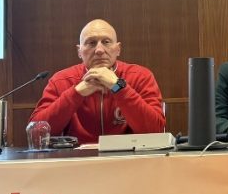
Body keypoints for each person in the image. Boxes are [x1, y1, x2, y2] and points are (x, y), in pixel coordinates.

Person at [29, 19, 164, 143]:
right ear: (79, 51)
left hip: (129, 157)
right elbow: (36, 133)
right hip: (78, 158)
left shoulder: (140, 76)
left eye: (106, 42)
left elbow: (155, 131)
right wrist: (76, 93)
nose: (99, 50)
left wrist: (117, 86)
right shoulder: (61, 80)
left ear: (118, 49)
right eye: (91, 43)